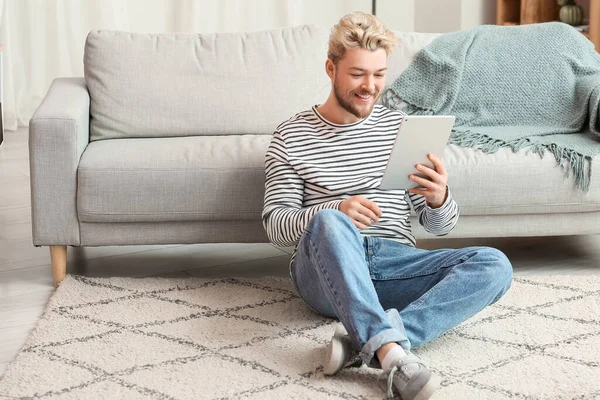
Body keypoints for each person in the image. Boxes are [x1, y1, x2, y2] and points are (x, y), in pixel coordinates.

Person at [261, 11, 513, 400]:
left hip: (394, 262)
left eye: (378, 75)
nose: (370, 86)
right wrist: (335, 211)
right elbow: (276, 226)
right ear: (331, 68)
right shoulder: (291, 135)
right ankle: (394, 359)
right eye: (358, 74)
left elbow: (439, 226)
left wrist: (439, 198)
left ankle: (371, 340)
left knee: (495, 264)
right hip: (325, 268)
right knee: (330, 221)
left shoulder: (398, 129)